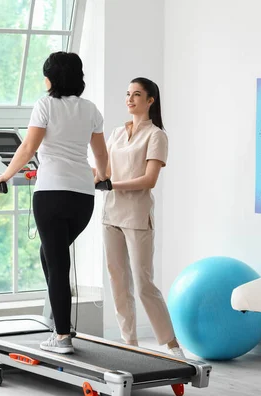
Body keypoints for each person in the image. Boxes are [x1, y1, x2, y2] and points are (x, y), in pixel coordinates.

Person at [0, 51, 109, 354]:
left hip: (52, 193)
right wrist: (103, 177)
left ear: (51, 78)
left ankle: (63, 335)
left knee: (57, 263)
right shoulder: (90, 109)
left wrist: (3, 175)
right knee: (51, 255)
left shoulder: (45, 105)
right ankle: (60, 322)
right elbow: (102, 155)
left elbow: (29, 147)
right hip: (83, 197)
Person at [97, 77, 186, 359]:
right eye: (127, 94)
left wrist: (112, 185)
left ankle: (171, 344)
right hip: (111, 214)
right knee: (118, 281)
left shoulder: (156, 135)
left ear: (150, 101)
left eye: (137, 95)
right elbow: (105, 172)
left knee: (144, 283)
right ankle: (129, 343)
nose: (130, 99)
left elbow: (149, 179)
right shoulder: (116, 133)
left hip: (136, 216)